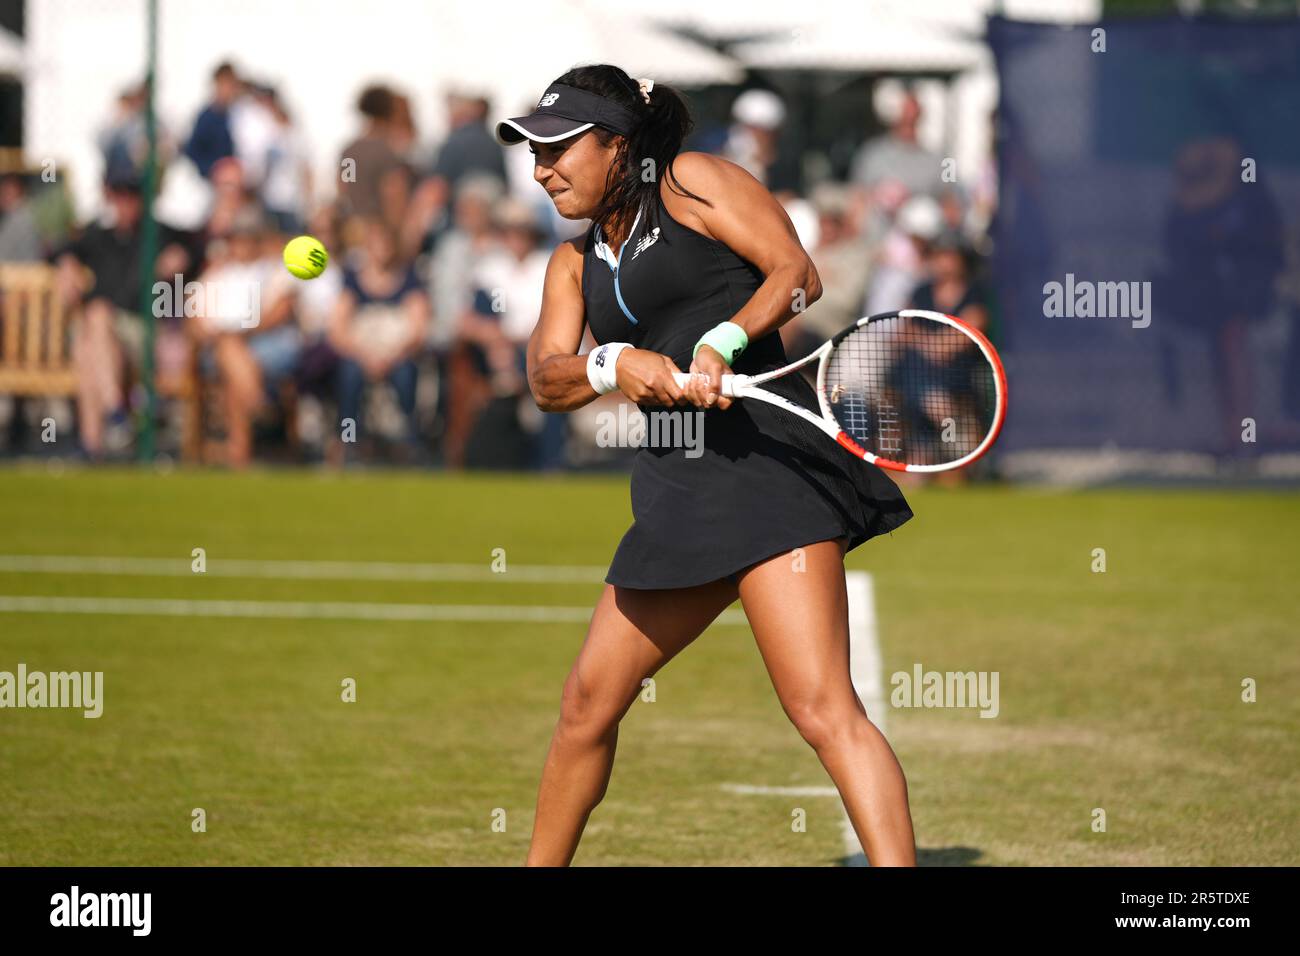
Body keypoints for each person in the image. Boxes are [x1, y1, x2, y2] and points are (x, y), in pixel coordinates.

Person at [498, 64, 916, 866]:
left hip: (772, 479)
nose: (542, 168)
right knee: (587, 704)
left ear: (618, 146)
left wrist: (724, 340)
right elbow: (547, 379)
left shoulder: (690, 182)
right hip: (675, 491)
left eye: (558, 147)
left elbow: (798, 275)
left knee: (824, 710)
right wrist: (609, 365)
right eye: (532, 152)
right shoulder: (570, 264)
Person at [326, 218, 430, 464]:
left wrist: (391, 357)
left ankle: (408, 441)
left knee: (406, 375)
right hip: (361, 355)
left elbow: (418, 329)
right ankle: (349, 441)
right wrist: (366, 357)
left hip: (396, 356)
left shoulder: (410, 280)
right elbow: (338, 330)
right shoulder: (352, 280)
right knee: (349, 374)